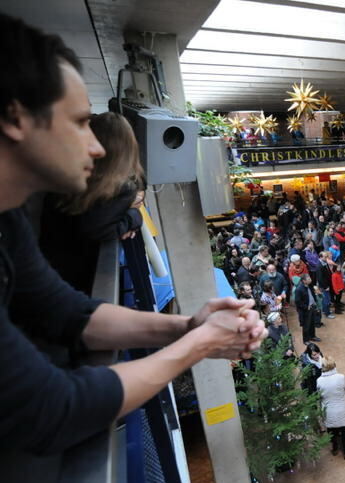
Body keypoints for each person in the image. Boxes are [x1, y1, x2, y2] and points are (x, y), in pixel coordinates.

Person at [0, 13, 266, 455]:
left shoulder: (8, 220)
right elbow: (51, 409)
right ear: (15, 118)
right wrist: (201, 343)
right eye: (80, 121)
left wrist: (188, 326)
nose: (97, 146)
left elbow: (70, 314)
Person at [39, 112, 145, 296]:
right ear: (129, 147)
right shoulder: (119, 188)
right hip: (75, 281)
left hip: (45, 266)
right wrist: (134, 217)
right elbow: (100, 229)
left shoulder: (65, 175)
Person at [317, 357, 345, 459]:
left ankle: (335, 449)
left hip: (329, 411)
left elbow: (319, 396)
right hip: (342, 409)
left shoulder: (319, 381)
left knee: (331, 432)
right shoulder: (341, 377)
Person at [294, 274, 321, 344]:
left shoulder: (310, 286)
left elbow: (312, 295)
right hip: (305, 310)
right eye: (308, 279)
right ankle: (306, 340)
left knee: (312, 323)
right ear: (304, 281)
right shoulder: (299, 289)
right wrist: (306, 307)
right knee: (306, 325)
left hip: (312, 307)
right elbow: (297, 301)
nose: (310, 279)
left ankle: (312, 336)